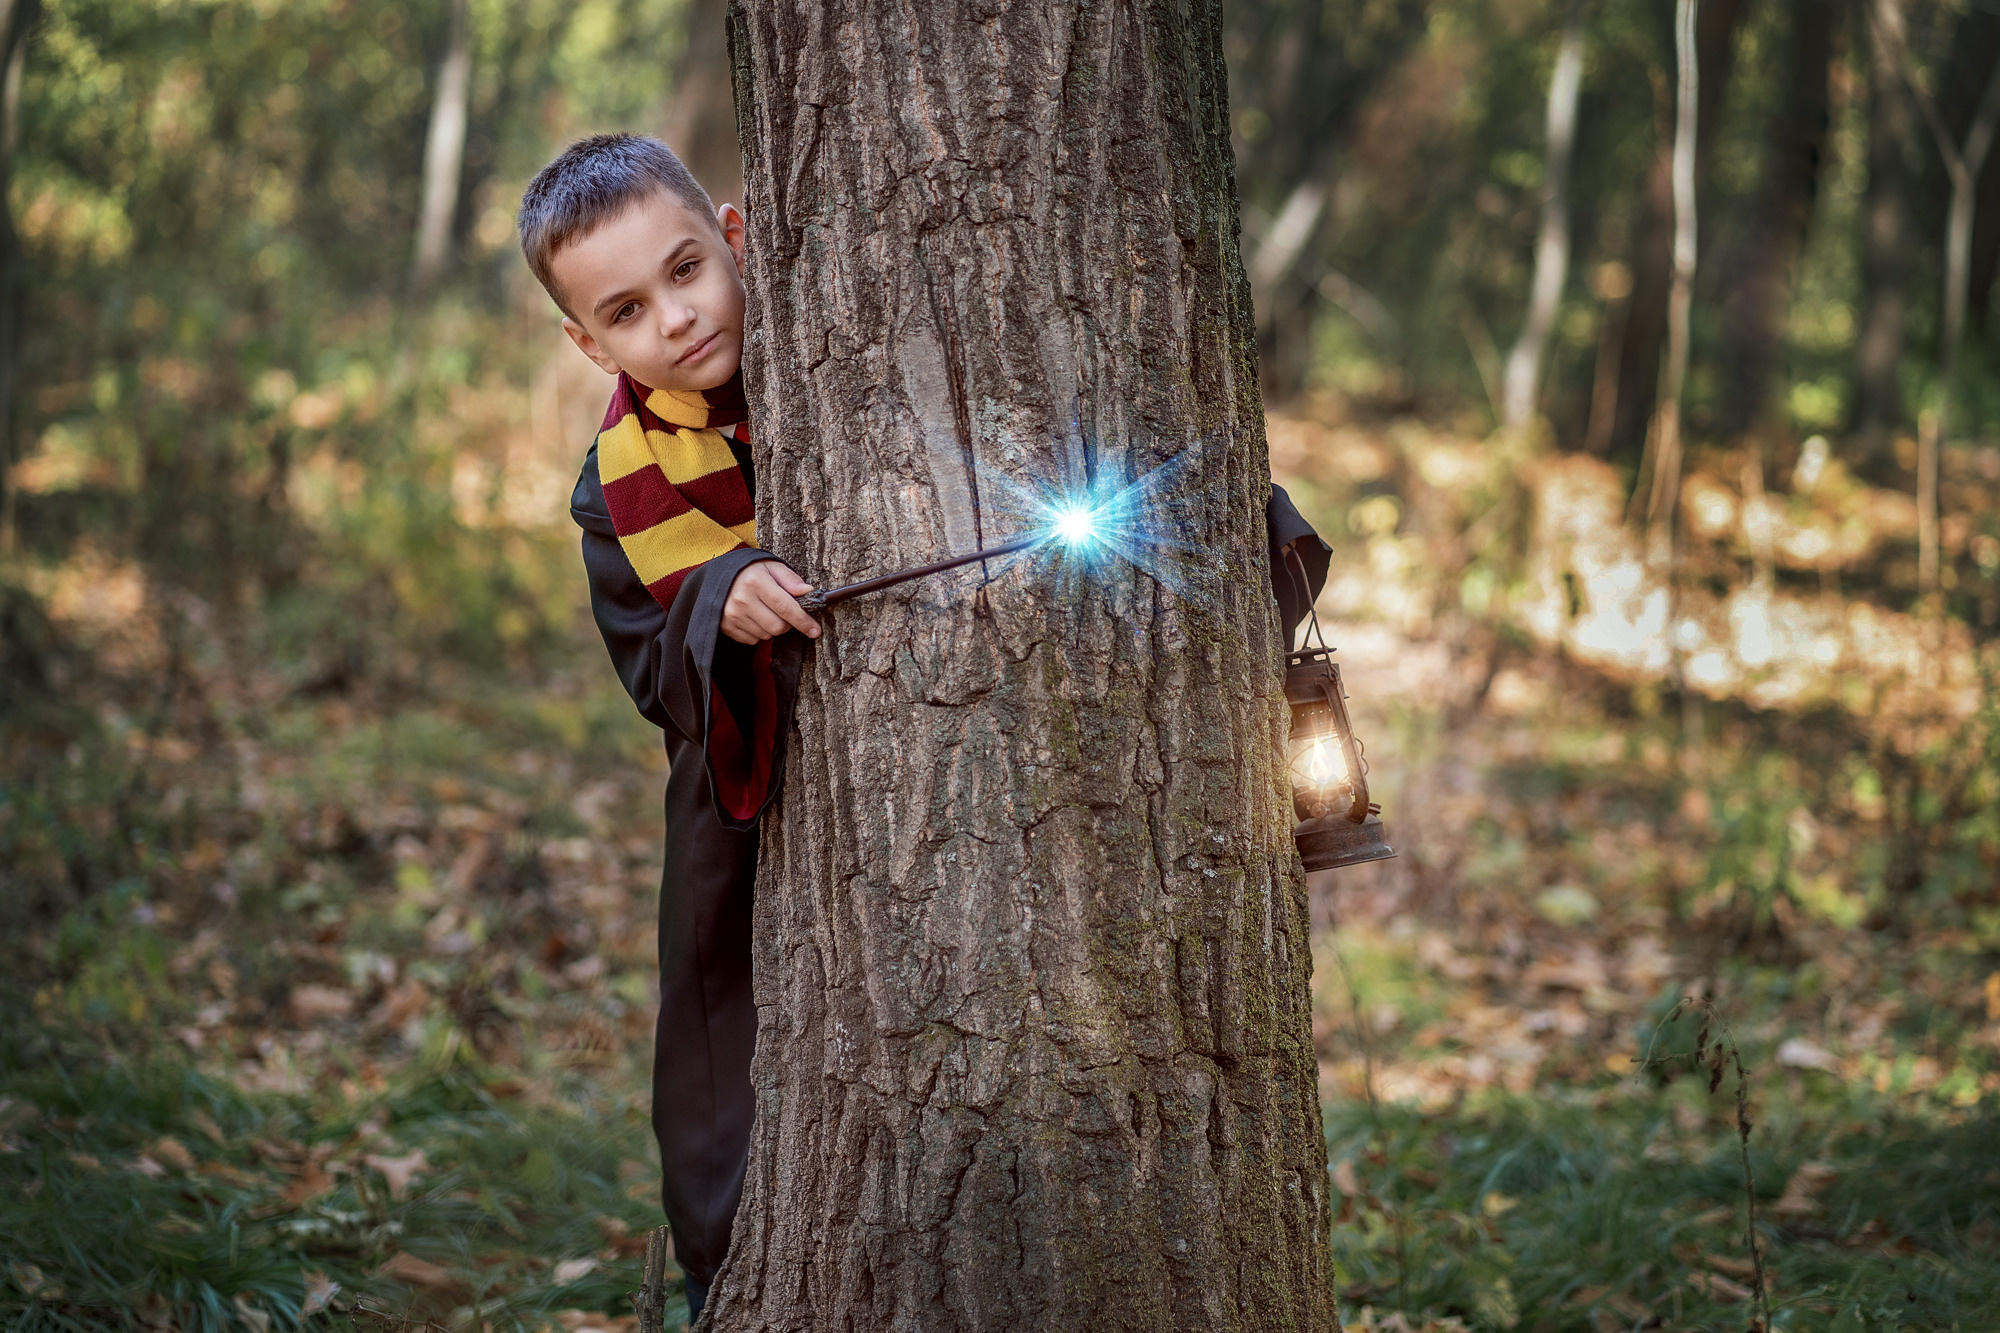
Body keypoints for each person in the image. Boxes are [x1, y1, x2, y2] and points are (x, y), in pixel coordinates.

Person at [518, 132, 1331, 1325]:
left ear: (738, 235)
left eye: (687, 269)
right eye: (629, 310)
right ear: (590, 343)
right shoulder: (623, 483)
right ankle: (732, 1273)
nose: (677, 319)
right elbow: (649, 662)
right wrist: (712, 597)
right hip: (754, 814)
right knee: (722, 1075)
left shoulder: (856, 345)